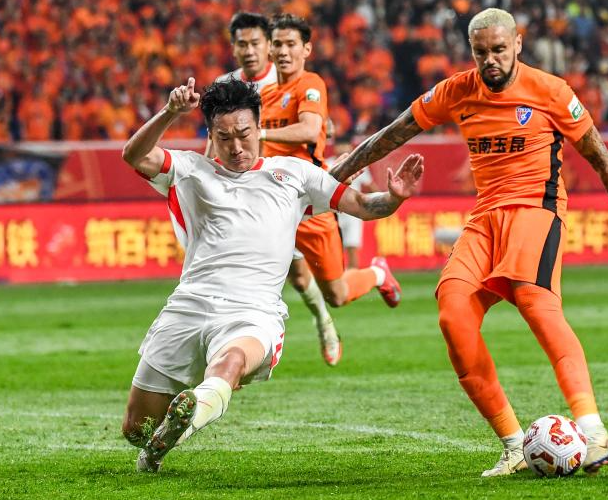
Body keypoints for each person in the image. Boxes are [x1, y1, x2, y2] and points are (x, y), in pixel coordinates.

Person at [330, 8, 608, 477]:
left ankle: (594, 432)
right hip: (485, 217)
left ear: (517, 45)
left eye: (498, 49)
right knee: (453, 314)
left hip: (537, 209)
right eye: (480, 52)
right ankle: (514, 445)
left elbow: (600, 157)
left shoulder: (551, 91)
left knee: (535, 301)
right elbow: (392, 134)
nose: (490, 59)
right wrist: (331, 177)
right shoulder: (456, 90)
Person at [120, 77, 424, 472]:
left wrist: (394, 198)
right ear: (210, 136)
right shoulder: (189, 170)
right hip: (189, 307)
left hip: (253, 312)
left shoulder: (295, 174)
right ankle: (162, 437)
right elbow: (133, 155)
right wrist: (169, 112)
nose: (236, 146)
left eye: (244, 134)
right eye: (224, 137)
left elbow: (364, 205)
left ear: (259, 126)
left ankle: (190, 416)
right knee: (136, 429)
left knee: (230, 362)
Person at [214, 12, 341, 367]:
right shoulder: (227, 85)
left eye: (256, 43)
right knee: (257, 271)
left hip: (293, 190)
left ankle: (322, 319)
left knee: (300, 277)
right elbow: (216, 136)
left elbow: (314, 123)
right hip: (253, 194)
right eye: (242, 44)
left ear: (267, 46)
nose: (250, 51)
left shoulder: (285, 77)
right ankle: (237, 349)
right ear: (233, 48)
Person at [259, 13, 401, 313]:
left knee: (336, 294)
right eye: (277, 44)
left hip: (310, 201)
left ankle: (377, 273)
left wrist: (259, 133)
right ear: (269, 49)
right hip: (273, 201)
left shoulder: (310, 84)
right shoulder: (264, 95)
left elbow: (310, 129)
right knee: (269, 276)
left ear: (306, 49)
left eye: (291, 44)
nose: (283, 51)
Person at [334, 139, 378, 269]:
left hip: (353, 214)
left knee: (352, 248)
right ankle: (337, 277)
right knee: (334, 250)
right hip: (334, 213)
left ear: (350, 146)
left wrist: (381, 202)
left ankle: (352, 278)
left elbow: (371, 186)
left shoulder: (358, 164)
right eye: (340, 144)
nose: (342, 147)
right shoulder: (329, 163)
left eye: (345, 144)